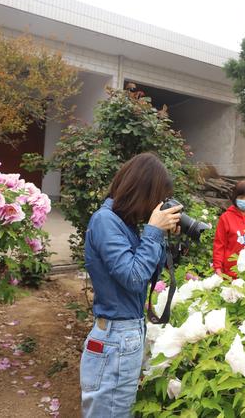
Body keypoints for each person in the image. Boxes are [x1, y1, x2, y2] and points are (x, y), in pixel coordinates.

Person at [79, 153, 183, 418]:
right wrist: (153, 232)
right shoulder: (105, 221)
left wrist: (160, 238)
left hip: (123, 336)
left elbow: (148, 274)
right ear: (142, 191)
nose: (157, 206)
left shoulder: (123, 224)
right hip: (115, 337)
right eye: (157, 198)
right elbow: (133, 277)